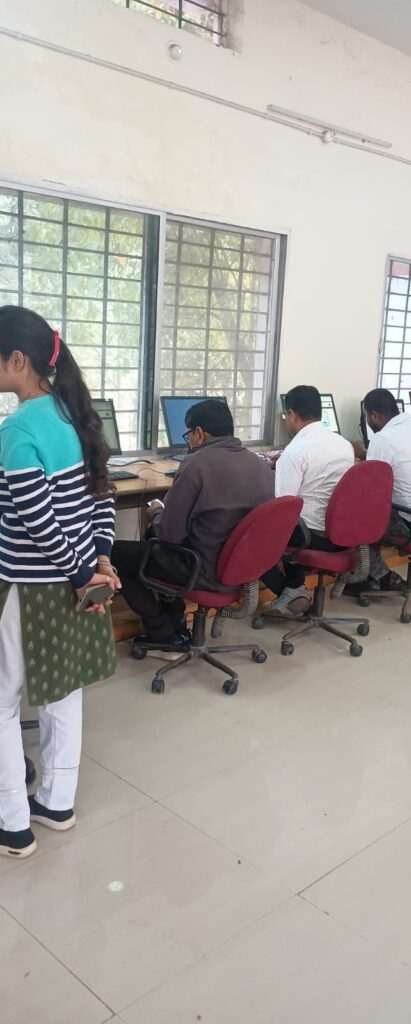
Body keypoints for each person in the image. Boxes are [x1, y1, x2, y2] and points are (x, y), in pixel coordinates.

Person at [0, 305, 120, 860]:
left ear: (16, 361)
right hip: (75, 586)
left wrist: (79, 573)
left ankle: (12, 824)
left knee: (2, 703)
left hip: (29, 590)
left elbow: (36, 519)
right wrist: (98, 564)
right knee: (63, 694)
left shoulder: (19, 429)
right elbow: (103, 496)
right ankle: (56, 803)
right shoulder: (77, 415)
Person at [112, 399, 274, 645]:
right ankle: (174, 617)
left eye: (188, 435)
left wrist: (156, 512)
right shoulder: (260, 465)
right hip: (241, 569)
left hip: (200, 570)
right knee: (151, 545)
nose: (189, 441)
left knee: (114, 554)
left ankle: (163, 631)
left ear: (199, 432)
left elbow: (169, 534)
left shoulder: (196, 464)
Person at [261, 385, 354, 612]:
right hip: (342, 533)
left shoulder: (295, 452)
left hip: (312, 536)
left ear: (292, 414)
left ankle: (291, 589)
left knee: (254, 530)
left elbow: (283, 509)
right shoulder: (344, 445)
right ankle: (293, 588)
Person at [353, 388, 411, 591]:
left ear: (374, 415)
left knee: (351, 514)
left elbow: (370, 488)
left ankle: (379, 575)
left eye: (367, 417)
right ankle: (375, 575)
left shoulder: (382, 438)